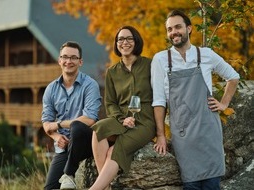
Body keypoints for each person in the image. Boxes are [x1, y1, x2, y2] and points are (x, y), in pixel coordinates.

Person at [151, 10, 240, 190]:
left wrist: (223, 104)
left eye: (177, 27)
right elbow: (159, 101)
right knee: (190, 184)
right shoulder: (161, 59)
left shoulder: (206, 54)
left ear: (189, 28)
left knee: (212, 184)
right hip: (183, 133)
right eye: (169, 29)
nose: (173, 32)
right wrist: (160, 135)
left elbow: (233, 77)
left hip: (209, 131)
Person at [89, 26, 156, 190]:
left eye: (129, 38)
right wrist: (122, 119)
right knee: (98, 130)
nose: (124, 42)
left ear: (136, 41)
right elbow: (110, 103)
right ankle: (105, 186)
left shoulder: (150, 65)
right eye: (120, 39)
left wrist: (161, 133)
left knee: (115, 149)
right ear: (116, 44)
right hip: (122, 119)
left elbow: (160, 97)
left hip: (145, 122)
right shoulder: (112, 71)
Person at [41, 41, 101, 190]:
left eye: (73, 58)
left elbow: (89, 118)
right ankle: (66, 176)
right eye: (65, 57)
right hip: (64, 147)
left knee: (77, 126)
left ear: (80, 62)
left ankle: (68, 175)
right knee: (50, 188)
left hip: (86, 141)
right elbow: (46, 123)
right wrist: (56, 137)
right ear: (59, 60)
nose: (69, 61)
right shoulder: (51, 89)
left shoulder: (90, 85)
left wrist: (59, 124)